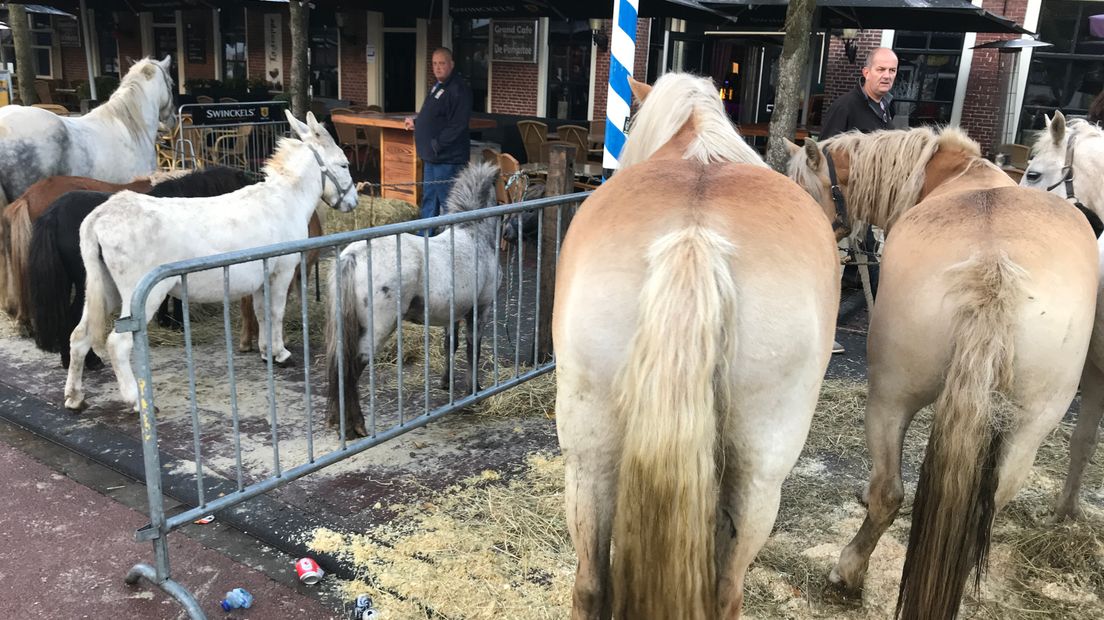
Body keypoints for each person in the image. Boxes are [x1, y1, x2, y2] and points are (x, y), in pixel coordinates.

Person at [819, 47, 899, 353]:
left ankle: (882, 329)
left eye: (891, 71)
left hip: (873, 200)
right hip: (846, 202)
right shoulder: (846, 107)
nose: (887, 76)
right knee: (835, 263)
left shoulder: (885, 107)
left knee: (870, 257)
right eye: (881, 70)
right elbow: (825, 154)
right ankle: (826, 332)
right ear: (865, 72)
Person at [404, 47, 473, 235]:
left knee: (448, 201)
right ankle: (425, 237)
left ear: (451, 64)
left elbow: (458, 125)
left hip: (447, 158)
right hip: (433, 157)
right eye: (434, 63)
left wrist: (437, 144)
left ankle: (456, 239)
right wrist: (417, 123)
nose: (437, 67)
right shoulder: (437, 87)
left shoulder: (458, 90)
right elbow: (433, 116)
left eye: (442, 63)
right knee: (429, 199)